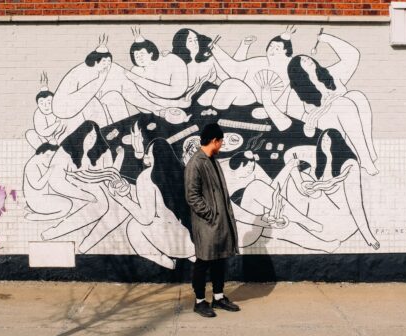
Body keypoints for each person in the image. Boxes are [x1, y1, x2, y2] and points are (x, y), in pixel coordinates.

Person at [283, 128, 380, 250]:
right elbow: (289, 154)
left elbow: (356, 205)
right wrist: (300, 183)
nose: (324, 144)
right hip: (321, 211)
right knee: (299, 178)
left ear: (337, 142)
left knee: (309, 184)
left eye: (328, 140)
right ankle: (299, 222)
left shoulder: (349, 164)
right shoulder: (319, 155)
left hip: (341, 218)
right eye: (322, 140)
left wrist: (368, 237)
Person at [109, 138, 195, 269]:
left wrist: (121, 199)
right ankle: (191, 256)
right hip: (193, 242)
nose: (146, 155)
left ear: (156, 155)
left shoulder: (146, 177)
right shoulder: (182, 172)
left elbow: (145, 218)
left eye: (149, 151)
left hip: (173, 245)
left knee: (133, 226)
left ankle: (167, 263)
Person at [286, 55, 378, 176]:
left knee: (356, 96)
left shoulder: (327, 76)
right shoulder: (296, 91)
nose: (308, 60)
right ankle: (365, 159)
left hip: (342, 114)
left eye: (308, 58)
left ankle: (368, 153)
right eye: (303, 60)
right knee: (343, 103)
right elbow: (299, 122)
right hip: (320, 123)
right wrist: (327, 104)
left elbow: (341, 93)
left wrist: (331, 100)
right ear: (297, 69)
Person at [184, 123, 240, 318]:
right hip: (207, 223)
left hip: (219, 223)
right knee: (203, 261)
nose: (222, 144)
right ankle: (200, 302)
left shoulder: (212, 160)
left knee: (219, 260)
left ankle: (218, 297)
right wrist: (211, 214)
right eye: (221, 141)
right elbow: (192, 196)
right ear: (214, 141)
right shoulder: (196, 163)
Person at [202, 27, 295, 110]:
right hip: (244, 95)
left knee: (230, 84)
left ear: (286, 52)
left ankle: (213, 115)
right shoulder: (261, 60)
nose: (272, 50)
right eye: (271, 46)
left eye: (277, 48)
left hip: (257, 102)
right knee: (209, 94)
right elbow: (236, 69)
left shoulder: (289, 69)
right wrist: (244, 46)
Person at [23, 143, 72, 221]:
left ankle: (37, 210)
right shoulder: (31, 165)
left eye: (51, 157)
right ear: (40, 153)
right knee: (68, 205)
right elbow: (38, 186)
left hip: (40, 198)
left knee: (67, 202)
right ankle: (38, 217)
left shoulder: (39, 162)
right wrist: (50, 170)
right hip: (36, 201)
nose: (49, 159)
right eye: (47, 156)